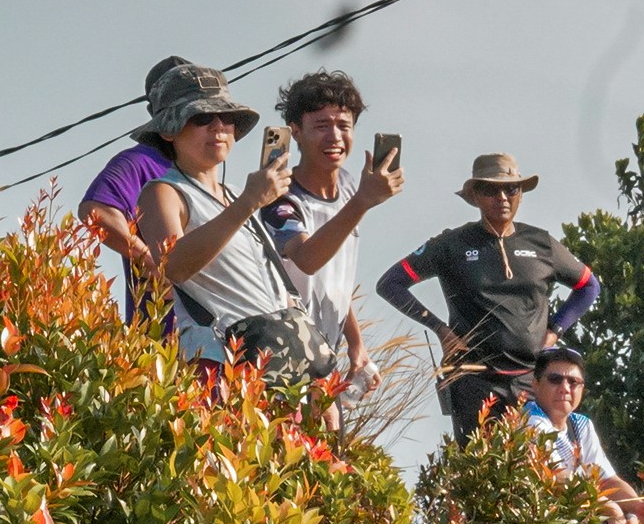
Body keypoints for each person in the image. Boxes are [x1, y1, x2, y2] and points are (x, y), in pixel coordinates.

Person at [377, 155, 599, 437]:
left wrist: (555, 331)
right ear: (475, 196)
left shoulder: (541, 244)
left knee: (541, 468)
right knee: (479, 471)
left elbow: (589, 286)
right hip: (474, 379)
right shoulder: (451, 245)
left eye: (511, 189)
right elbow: (391, 283)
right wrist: (440, 329)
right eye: (490, 190)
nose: (502, 197)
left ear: (520, 193)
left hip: (532, 380)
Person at [135, 74, 334, 386]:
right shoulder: (162, 192)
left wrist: (316, 380)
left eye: (226, 118)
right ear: (168, 130)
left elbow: (276, 292)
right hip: (219, 366)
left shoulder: (233, 196)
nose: (218, 128)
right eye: (201, 118)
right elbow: (172, 265)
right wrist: (249, 202)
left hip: (279, 368)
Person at [259, 72, 404, 404]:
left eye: (344, 125)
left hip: (326, 355)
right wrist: (362, 202)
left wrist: (356, 345)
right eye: (321, 125)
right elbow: (307, 259)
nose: (335, 136)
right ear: (295, 131)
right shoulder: (278, 194)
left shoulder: (352, 186)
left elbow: (332, 278)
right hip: (280, 353)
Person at [79, 59, 201, 320]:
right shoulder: (141, 162)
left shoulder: (201, 175)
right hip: (166, 339)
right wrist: (151, 262)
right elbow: (95, 211)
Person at [519, 350, 644, 524]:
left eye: (573, 382)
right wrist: (607, 506)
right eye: (555, 379)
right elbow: (553, 480)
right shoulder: (530, 421)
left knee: (630, 519)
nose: (565, 388)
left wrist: (638, 506)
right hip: (535, 523)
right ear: (535, 384)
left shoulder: (581, 424)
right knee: (612, 517)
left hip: (570, 516)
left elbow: (607, 480)